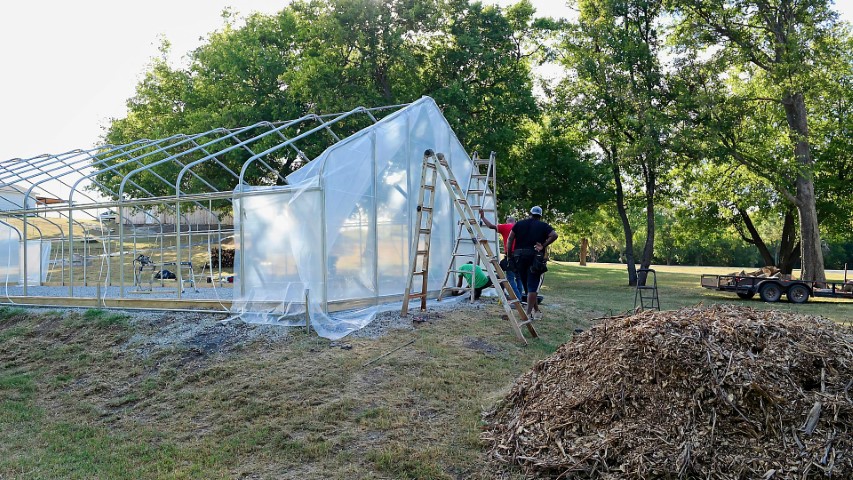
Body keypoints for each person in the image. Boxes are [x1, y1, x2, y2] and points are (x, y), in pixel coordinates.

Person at [507, 206, 558, 319]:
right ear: (540, 216)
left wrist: (509, 254)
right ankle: (528, 313)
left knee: (527, 285)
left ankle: (536, 310)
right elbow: (554, 235)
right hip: (534, 256)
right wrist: (543, 246)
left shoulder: (519, 224)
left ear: (530, 214)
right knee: (533, 286)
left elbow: (510, 238)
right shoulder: (543, 225)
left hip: (519, 256)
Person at [479, 209, 524, 300]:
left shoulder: (505, 227)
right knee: (519, 278)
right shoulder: (521, 228)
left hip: (511, 256)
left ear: (507, 222)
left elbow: (491, 226)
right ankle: (520, 298)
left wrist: (483, 217)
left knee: (510, 278)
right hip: (521, 256)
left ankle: (517, 300)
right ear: (515, 222)